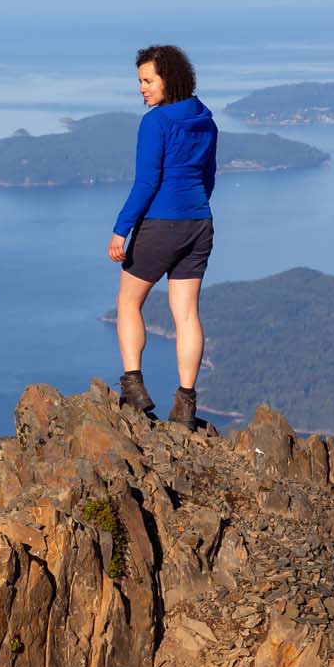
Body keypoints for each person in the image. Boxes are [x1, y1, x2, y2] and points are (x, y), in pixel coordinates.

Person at [107, 44, 217, 428]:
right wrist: (191, 212)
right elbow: (208, 178)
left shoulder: (156, 122)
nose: (142, 88)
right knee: (186, 314)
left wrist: (122, 229)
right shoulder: (205, 119)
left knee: (127, 302)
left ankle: (133, 389)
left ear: (168, 80)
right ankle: (185, 404)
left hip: (160, 224)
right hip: (199, 224)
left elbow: (147, 182)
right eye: (140, 81)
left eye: (148, 80)